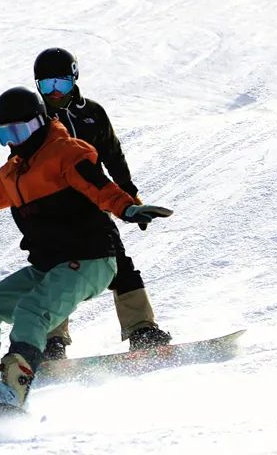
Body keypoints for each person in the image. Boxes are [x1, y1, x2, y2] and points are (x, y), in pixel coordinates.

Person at [0, 87, 172, 406]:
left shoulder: (67, 152)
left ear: (40, 123)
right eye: (5, 133)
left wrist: (127, 208)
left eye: (21, 130)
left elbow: (99, 185)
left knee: (30, 313)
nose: (15, 139)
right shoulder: (12, 174)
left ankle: (14, 390)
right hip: (48, 268)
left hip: (90, 259)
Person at [32, 47, 172, 359]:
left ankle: (142, 330)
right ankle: (52, 341)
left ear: (74, 79)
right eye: (47, 86)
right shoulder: (34, 122)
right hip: (51, 211)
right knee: (56, 271)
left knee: (118, 265)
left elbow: (113, 156)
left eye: (62, 84)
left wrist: (130, 197)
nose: (55, 93)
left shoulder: (92, 115)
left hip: (93, 206)